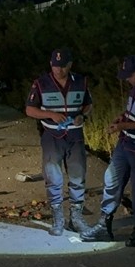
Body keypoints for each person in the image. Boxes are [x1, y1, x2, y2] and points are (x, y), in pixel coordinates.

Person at [81, 55, 135, 247]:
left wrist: (125, 126)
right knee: (111, 180)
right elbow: (130, 112)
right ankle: (104, 225)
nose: (127, 80)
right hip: (125, 144)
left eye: (130, 76)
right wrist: (120, 120)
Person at [24, 48, 94, 236]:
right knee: (53, 178)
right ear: (50, 64)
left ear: (70, 65)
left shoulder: (81, 81)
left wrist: (82, 115)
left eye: (62, 67)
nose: (58, 70)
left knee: (78, 177)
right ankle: (58, 219)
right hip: (52, 137)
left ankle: (76, 219)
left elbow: (88, 105)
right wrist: (50, 115)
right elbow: (30, 110)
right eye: (55, 66)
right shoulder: (41, 83)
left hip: (75, 137)